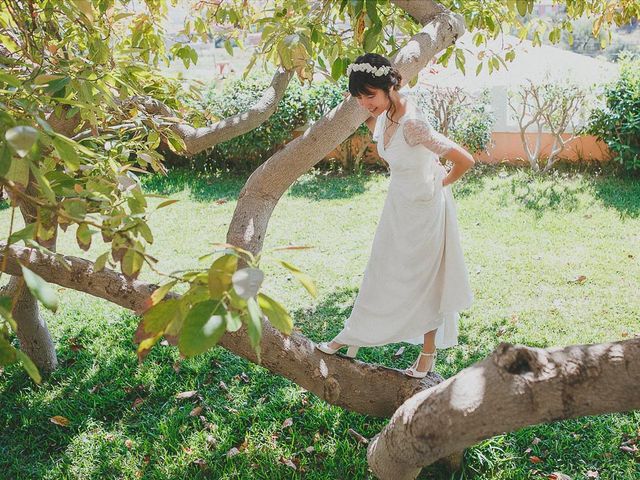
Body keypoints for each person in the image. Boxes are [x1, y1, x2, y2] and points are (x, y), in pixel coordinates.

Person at [316, 53, 475, 378]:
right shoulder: (385, 115)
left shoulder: (413, 123)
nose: (364, 103)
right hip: (398, 207)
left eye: (369, 95)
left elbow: (465, 160)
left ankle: (427, 354)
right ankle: (353, 335)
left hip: (425, 210)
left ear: (389, 87)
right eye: (359, 97)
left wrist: (439, 184)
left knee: (426, 280)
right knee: (381, 270)